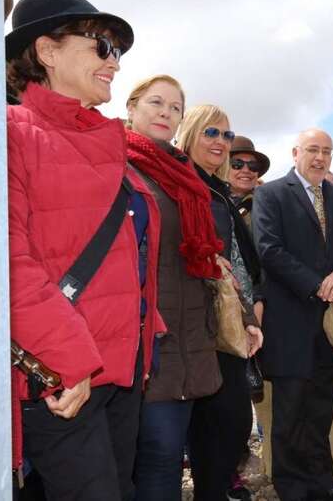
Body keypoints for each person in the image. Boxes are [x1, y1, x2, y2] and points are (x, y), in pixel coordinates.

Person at [6, 0, 164, 500]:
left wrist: (147, 330)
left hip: (122, 369)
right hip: (64, 379)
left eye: (116, 51)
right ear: (47, 51)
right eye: (101, 46)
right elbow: (7, 262)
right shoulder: (7, 132)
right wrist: (67, 359)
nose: (114, 64)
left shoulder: (110, 142)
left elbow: (127, 256)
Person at [252, 128, 333, 501]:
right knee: (288, 416)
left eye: (327, 152)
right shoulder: (270, 194)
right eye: (313, 150)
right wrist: (317, 284)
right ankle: (291, 488)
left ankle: (323, 484)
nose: (320, 158)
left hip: (329, 328)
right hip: (289, 323)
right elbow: (269, 249)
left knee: (321, 411)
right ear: (295, 152)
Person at [126, 89, 226, 500]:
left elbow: (212, 262)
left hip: (189, 340)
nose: (166, 112)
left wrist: (247, 319)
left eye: (175, 107)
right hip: (144, 338)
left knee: (165, 458)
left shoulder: (185, 179)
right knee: (154, 455)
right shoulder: (118, 163)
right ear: (131, 108)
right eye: (156, 103)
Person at [187, 126, 267, 501]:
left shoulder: (244, 204)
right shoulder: (200, 192)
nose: (246, 169)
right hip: (207, 321)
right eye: (239, 162)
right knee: (213, 418)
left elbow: (254, 264)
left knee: (234, 416)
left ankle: (223, 481)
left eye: (252, 165)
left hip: (241, 319)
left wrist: (254, 308)